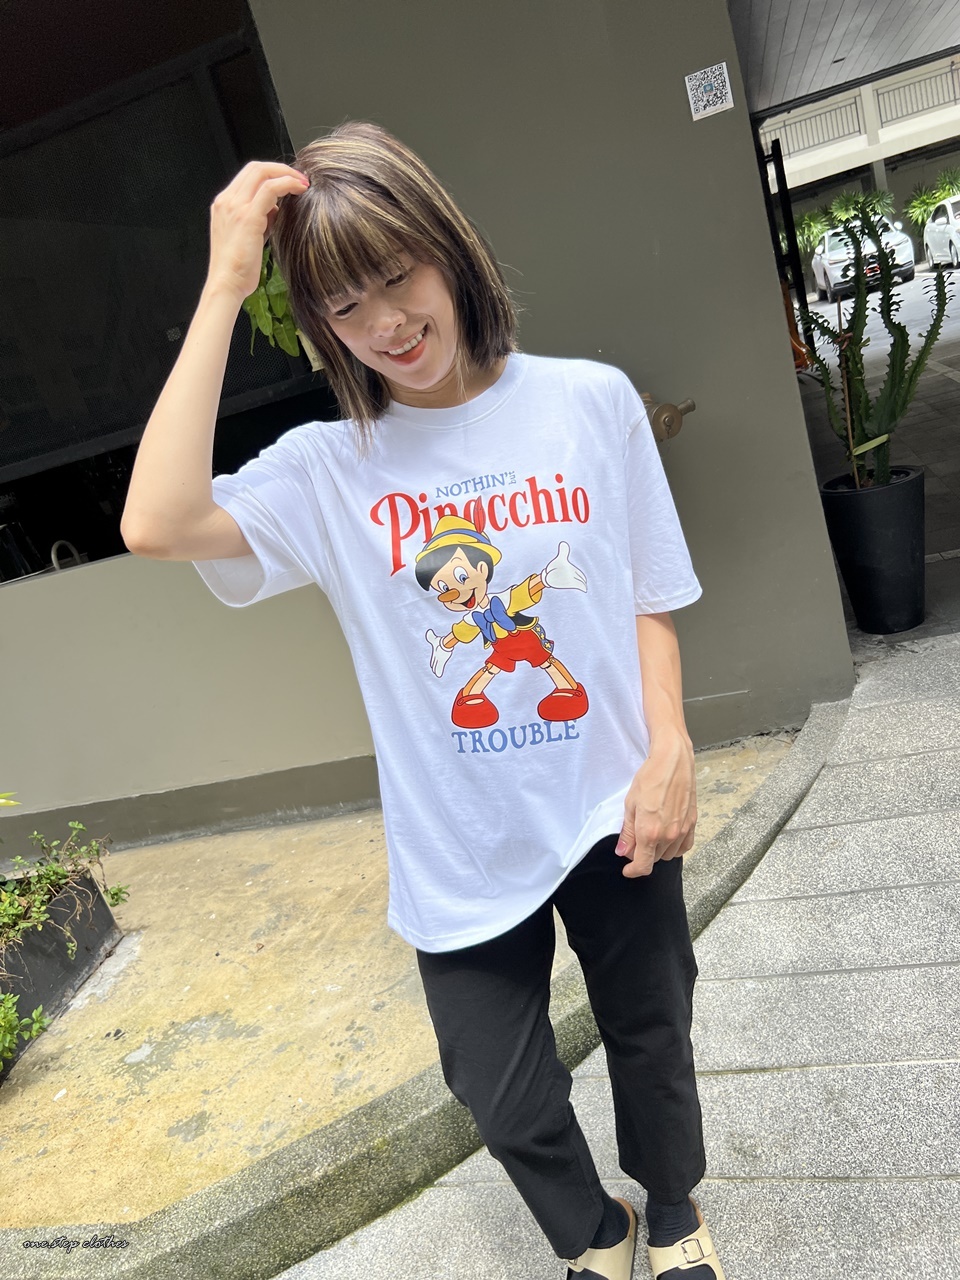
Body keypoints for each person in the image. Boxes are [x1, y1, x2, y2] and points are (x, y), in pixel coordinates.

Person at [121, 121, 724, 1280]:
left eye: (399, 277)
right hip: (459, 840)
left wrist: (671, 745)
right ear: (320, 327)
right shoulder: (328, 467)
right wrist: (224, 283)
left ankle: (674, 1204)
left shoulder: (589, 401)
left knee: (654, 1026)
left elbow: (647, 589)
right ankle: (595, 1229)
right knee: (497, 1087)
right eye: (347, 307)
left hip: (611, 798)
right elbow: (156, 521)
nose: (388, 324)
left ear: (450, 251)